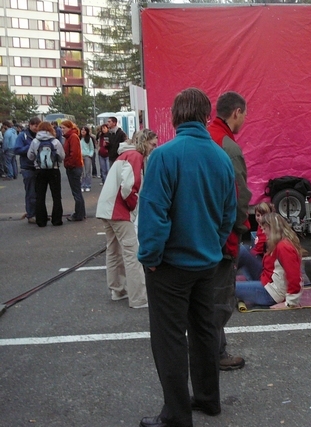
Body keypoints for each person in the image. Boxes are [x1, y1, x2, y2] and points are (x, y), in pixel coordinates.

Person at [137, 87, 236, 427]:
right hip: (207, 262)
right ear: (207, 116)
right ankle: (209, 400)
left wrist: (150, 255)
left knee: (169, 340)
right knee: (204, 331)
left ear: (175, 117)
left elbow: (154, 212)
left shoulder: (165, 155)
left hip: (171, 266)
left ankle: (176, 415)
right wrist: (214, 244)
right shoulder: (221, 157)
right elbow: (228, 213)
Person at [207, 91, 252, 371]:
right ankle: (213, 353)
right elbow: (239, 196)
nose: (244, 120)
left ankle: (214, 349)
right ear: (236, 112)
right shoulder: (228, 146)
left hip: (202, 234)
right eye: (244, 115)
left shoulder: (206, 137)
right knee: (220, 299)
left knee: (207, 297)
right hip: (223, 238)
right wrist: (240, 229)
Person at [96, 129, 157, 309]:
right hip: (119, 211)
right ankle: (138, 297)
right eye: (152, 144)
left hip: (106, 208)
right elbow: (129, 188)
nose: (154, 148)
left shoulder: (124, 154)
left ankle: (118, 289)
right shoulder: (135, 156)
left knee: (113, 250)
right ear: (144, 142)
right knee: (132, 253)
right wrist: (133, 206)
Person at [235, 213, 303, 307]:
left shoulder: (284, 247)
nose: (263, 232)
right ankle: (220, 278)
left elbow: (295, 276)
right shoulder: (278, 242)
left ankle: (212, 288)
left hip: (272, 292)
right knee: (243, 250)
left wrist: (290, 303)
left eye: (264, 229)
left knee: (229, 288)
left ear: (272, 229)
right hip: (267, 280)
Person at [26, 121, 65, 227]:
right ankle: (57, 220)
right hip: (54, 170)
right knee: (56, 196)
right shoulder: (55, 141)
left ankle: (41, 220)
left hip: (39, 170)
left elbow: (30, 156)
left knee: (40, 196)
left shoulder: (35, 141)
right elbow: (62, 156)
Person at [237, 202, 274, 281]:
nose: (260, 218)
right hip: (260, 262)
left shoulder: (269, 229)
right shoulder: (260, 226)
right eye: (258, 215)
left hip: (265, 272)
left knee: (243, 250)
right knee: (245, 248)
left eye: (263, 215)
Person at [14, 117, 41, 224]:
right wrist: (30, 147)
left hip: (39, 167)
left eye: (38, 126)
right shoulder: (22, 136)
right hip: (28, 167)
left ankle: (39, 213)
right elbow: (16, 149)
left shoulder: (40, 135)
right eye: (35, 126)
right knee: (31, 193)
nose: (36, 128)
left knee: (40, 192)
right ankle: (31, 214)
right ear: (30, 125)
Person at [61, 120, 86, 222]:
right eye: (61, 128)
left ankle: (79, 214)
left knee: (76, 192)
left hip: (74, 167)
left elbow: (74, 154)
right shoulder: (70, 137)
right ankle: (80, 213)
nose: (62, 130)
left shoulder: (72, 137)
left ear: (69, 128)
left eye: (63, 128)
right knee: (77, 191)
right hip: (74, 166)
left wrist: (69, 164)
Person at [80, 126, 95, 192]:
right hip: (80, 156)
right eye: (82, 130)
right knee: (81, 172)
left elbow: (92, 148)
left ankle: (88, 185)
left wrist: (90, 155)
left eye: (84, 130)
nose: (83, 131)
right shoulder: (79, 138)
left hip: (87, 156)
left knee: (87, 171)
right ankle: (82, 185)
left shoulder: (89, 139)